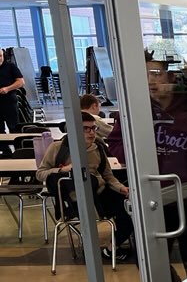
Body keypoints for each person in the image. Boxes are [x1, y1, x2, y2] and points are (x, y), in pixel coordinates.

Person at [108, 52, 187, 276]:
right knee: (149, 262)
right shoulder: (136, 108)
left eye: (156, 74)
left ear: (172, 76)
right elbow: (116, 144)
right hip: (154, 196)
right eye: (145, 74)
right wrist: (141, 156)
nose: (150, 81)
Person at [37, 111, 134, 261]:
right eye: (86, 129)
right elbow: (40, 173)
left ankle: (111, 248)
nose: (91, 132)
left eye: (94, 128)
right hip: (73, 201)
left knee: (131, 211)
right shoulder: (57, 148)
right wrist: (62, 170)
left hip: (100, 194)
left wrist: (122, 188)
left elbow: (108, 176)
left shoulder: (98, 149)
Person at [0, 49, 25, 134]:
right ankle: (4, 147)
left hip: (9, 101)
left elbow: (21, 82)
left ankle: (18, 146)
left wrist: (7, 88)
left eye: (0, 56)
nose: (0, 58)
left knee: (14, 128)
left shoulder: (10, 66)